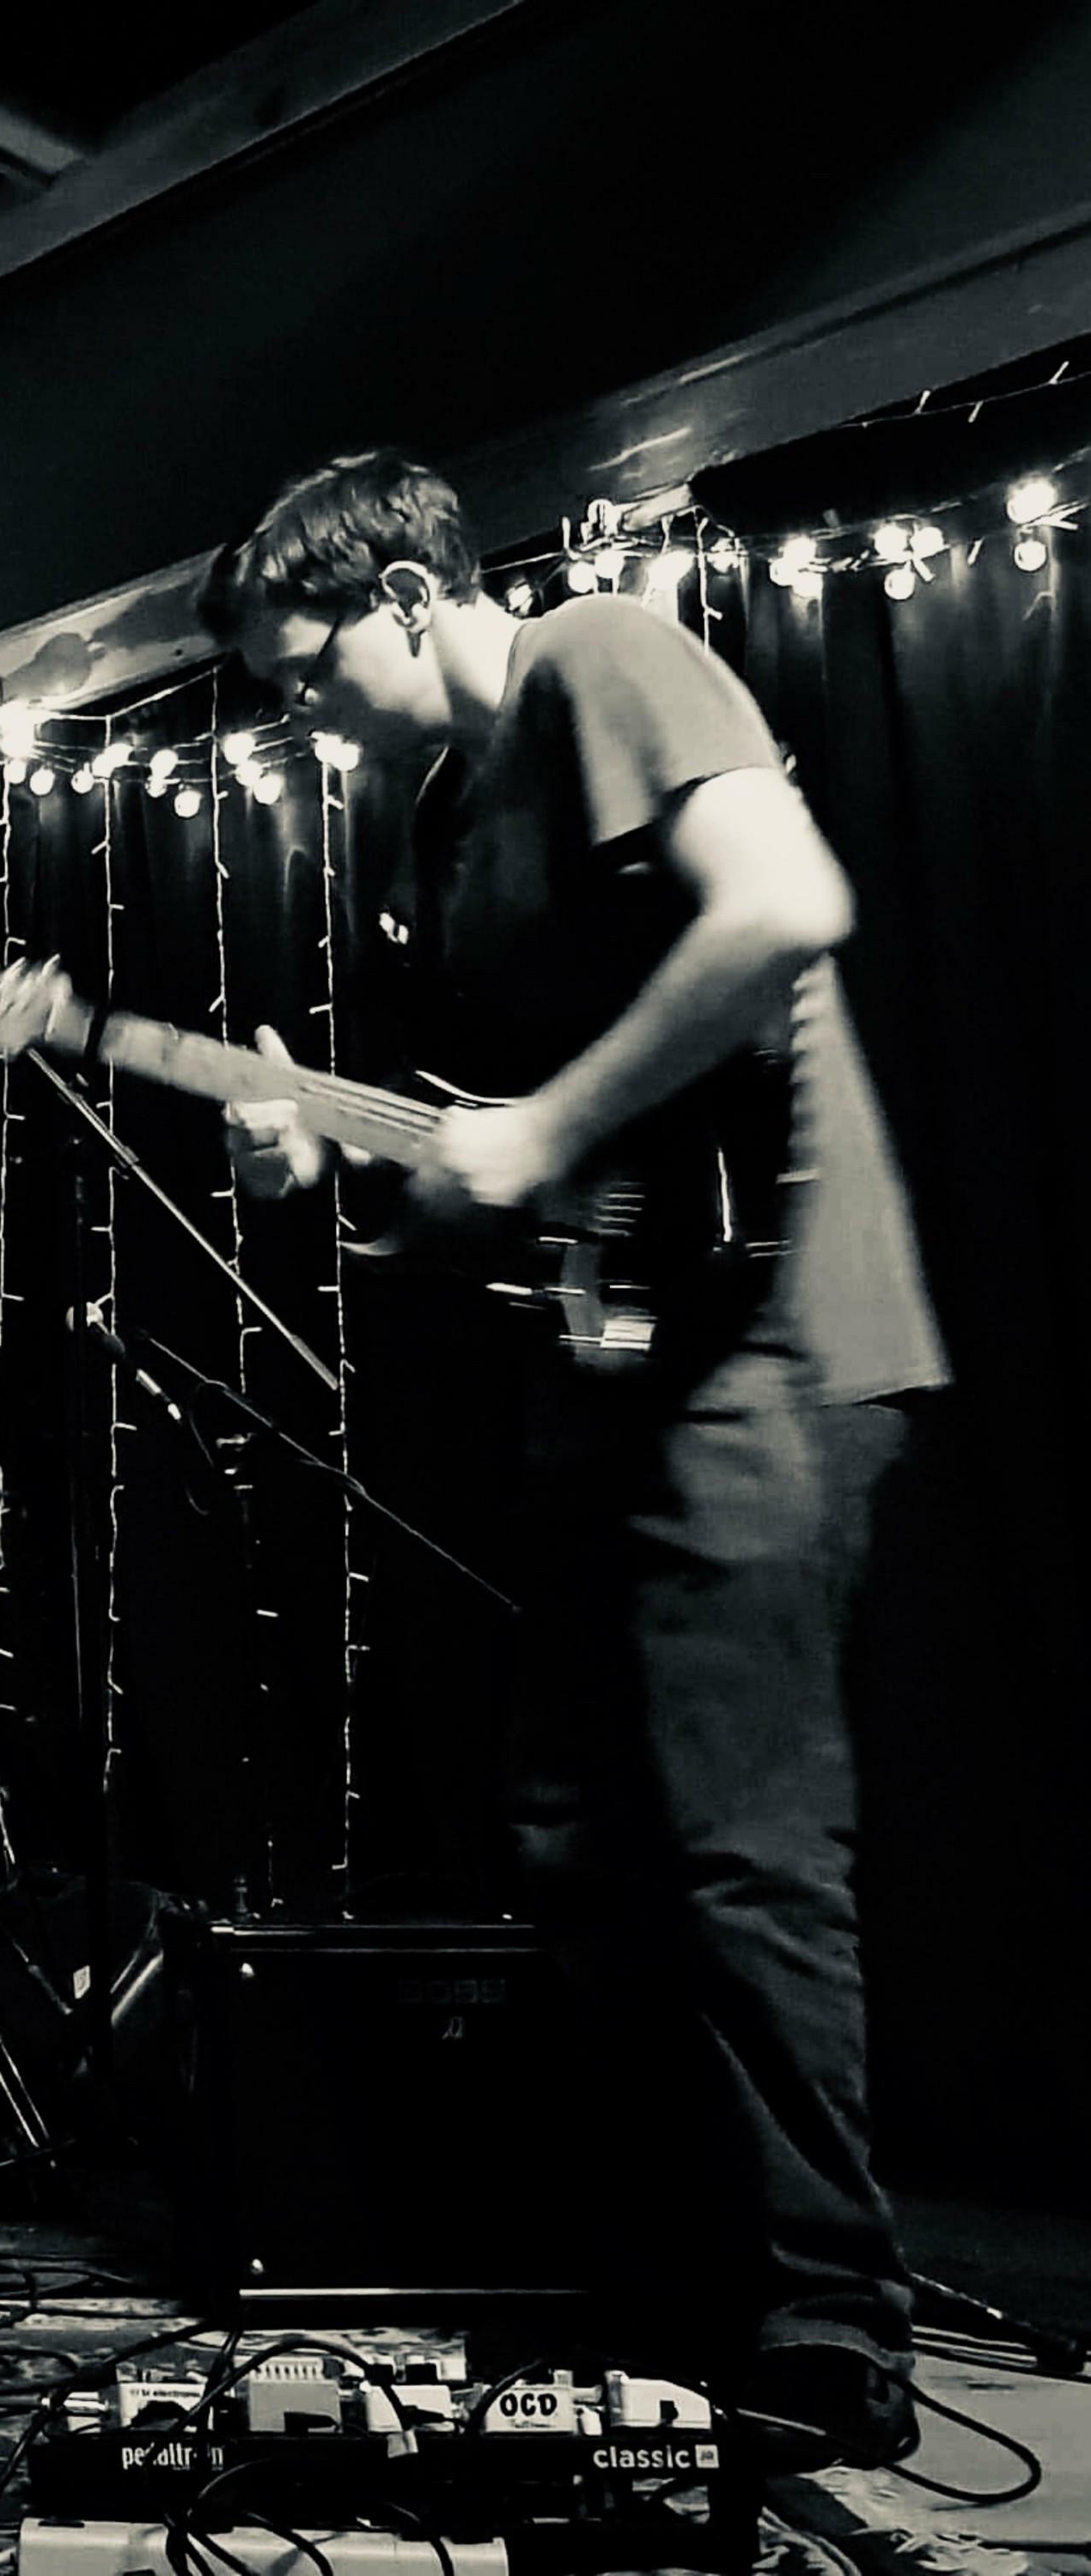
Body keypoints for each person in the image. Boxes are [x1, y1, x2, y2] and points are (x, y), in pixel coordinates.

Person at [196, 453, 948, 2464]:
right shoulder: (436, 823)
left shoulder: (598, 657)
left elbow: (785, 906)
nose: (307, 720)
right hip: (610, 1355)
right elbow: (491, 1148)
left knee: (733, 1843)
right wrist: (329, 1159)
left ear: (410, 594)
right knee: (576, 1843)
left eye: (310, 672)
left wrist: (539, 1130)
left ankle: (828, 2328)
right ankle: (668, 2289)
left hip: (766, 1335)